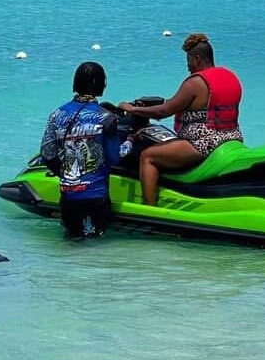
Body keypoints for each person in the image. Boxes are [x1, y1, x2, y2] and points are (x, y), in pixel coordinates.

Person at [119, 32, 243, 206]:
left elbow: (163, 111)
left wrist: (132, 108)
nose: (188, 66)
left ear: (197, 58)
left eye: (189, 60)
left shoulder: (195, 82)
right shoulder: (230, 76)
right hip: (231, 137)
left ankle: (151, 209)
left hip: (201, 144)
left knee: (147, 156)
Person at [41, 62, 123, 238]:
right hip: (97, 196)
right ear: (98, 83)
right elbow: (114, 158)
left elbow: (47, 154)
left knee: (72, 241)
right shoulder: (106, 117)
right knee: (98, 243)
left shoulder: (57, 114)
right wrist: (129, 143)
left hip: (69, 198)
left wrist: (65, 175)